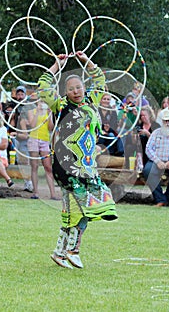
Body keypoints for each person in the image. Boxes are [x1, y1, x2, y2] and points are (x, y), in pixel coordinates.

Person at [37, 51, 118, 269]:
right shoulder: (60, 105)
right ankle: (73, 250)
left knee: (82, 209)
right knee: (82, 208)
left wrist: (86, 61)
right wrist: (57, 64)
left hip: (87, 167)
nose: (75, 91)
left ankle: (60, 252)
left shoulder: (92, 100)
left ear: (84, 88)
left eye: (78, 87)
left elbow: (100, 79)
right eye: (71, 88)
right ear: (65, 91)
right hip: (66, 166)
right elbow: (43, 87)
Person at [27, 100, 56, 199]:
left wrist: (50, 115)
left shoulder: (48, 112)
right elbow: (32, 125)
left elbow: (50, 128)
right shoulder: (32, 111)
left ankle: (53, 194)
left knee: (48, 167)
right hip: (34, 139)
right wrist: (38, 112)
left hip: (45, 140)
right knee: (34, 166)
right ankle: (35, 192)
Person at [13, 86, 33, 192]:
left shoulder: (30, 106)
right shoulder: (15, 106)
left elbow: (32, 122)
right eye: (18, 94)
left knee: (26, 160)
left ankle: (30, 183)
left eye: (22, 94)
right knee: (19, 160)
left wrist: (24, 122)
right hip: (17, 136)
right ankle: (26, 182)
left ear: (25, 95)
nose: (20, 96)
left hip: (27, 137)